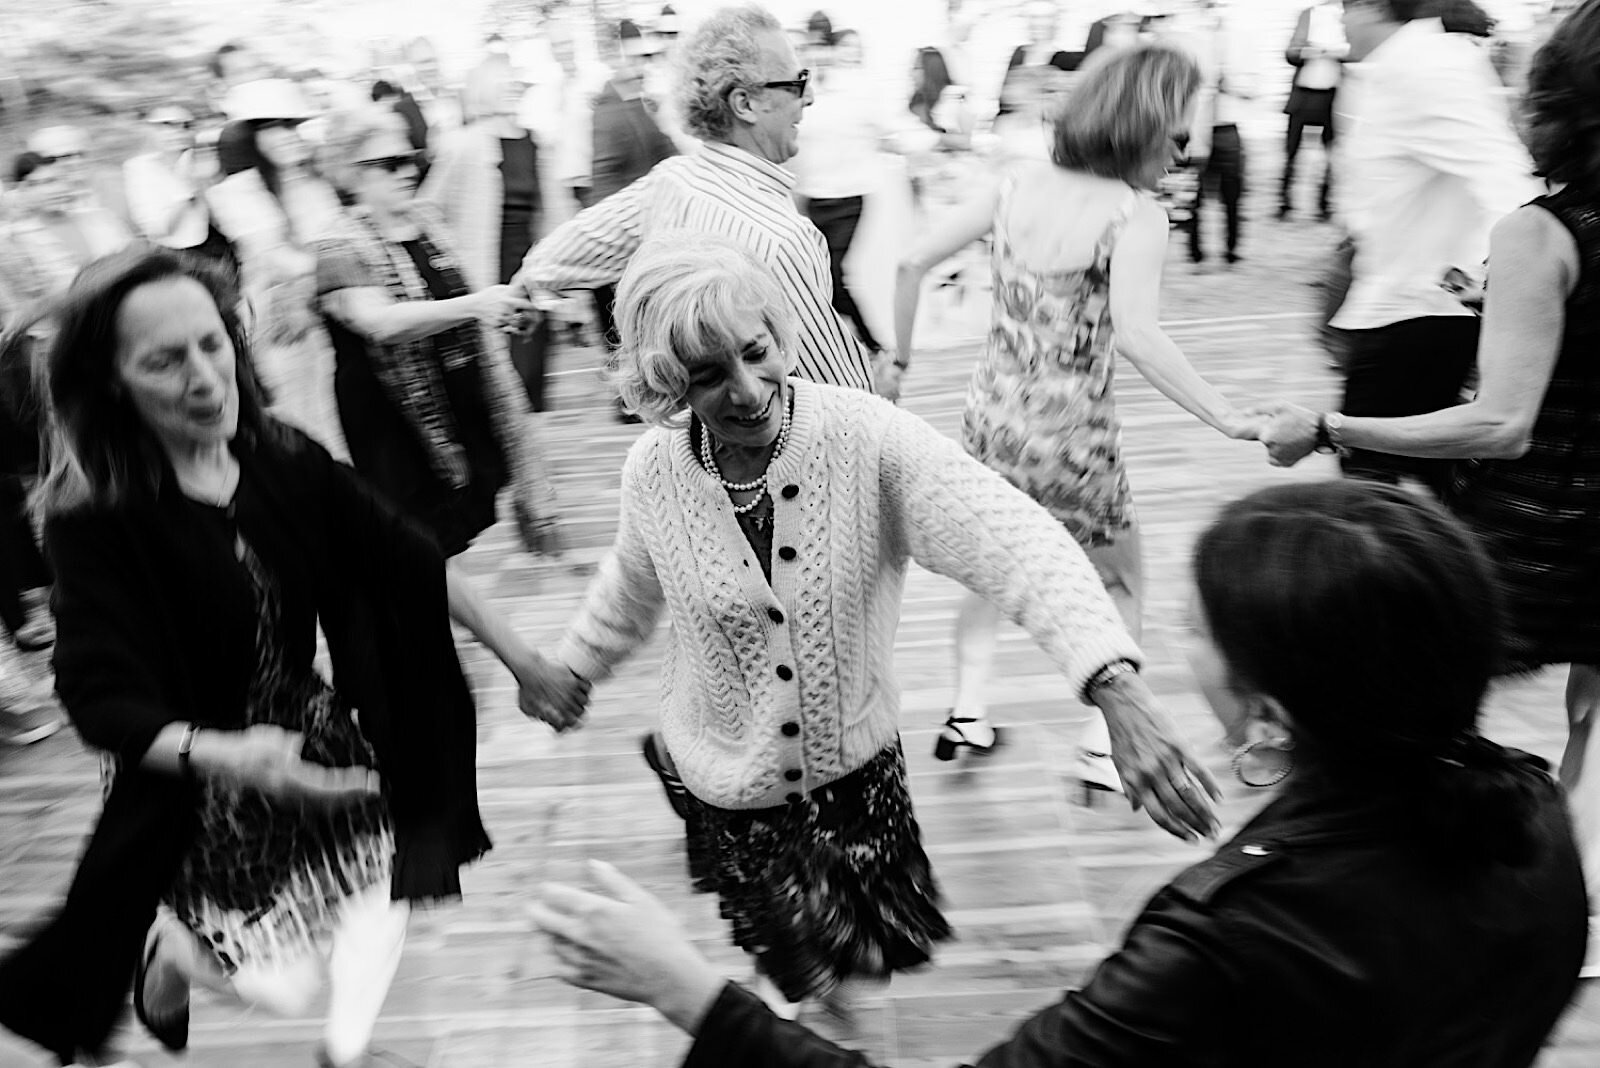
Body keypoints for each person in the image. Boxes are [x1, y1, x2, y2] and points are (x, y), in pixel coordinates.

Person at [533, 480, 1588, 1068]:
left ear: (1267, 717)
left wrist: (686, 991)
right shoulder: (1532, 822)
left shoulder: (1229, 939)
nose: (1177, 635)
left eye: (1200, 630)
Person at [526, 231, 1219, 1021]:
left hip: (853, 783)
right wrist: (574, 664)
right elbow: (629, 583)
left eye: (757, 352)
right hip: (729, 786)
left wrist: (1112, 685)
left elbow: (1012, 538)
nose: (748, 390)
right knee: (795, 971)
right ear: (665, 382)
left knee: (864, 985)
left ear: (780, 334)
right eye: (709, 375)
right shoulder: (654, 472)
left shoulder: (865, 439)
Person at [0, 246, 585, 1068]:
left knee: (387, 885)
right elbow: (98, 700)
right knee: (277, 982)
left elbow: (403, 556)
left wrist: (526, 659)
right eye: (164, 362)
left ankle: (343, 1057)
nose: (206, 378)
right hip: (196, 777)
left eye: (212, 344)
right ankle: (172, 956)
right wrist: (234, 756)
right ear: (113, 383)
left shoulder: (276, 454)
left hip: (311, 735)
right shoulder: (95, 520)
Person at [1259, 0, 1600, 977]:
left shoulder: (1544, 231)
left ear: (1558, 96)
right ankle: (1567, 922)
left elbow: (1499, 423)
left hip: (1541, 531)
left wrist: (1328, 425)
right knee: (1594, 720)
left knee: (1410, 694)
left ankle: (1381, 894)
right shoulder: (1530, 243)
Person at [892, 45, 1261, 777]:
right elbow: (1140, 337)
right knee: (1120, 581)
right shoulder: (1132, 214)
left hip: (992, 421)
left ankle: (967, 716)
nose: (1183, 156)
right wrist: (1227, 417)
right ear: (1142, 127)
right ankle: (1101, 746)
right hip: (1072, 438)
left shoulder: (1014, 184)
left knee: (994, 568)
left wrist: (896, 364)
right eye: (1178, 137)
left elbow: (910, 263)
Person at [511, 4, 881, 397]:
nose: (809, 97)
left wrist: (525, 286)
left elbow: (578, 244)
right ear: (745, 104)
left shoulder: (674, 180)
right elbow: (842, 400)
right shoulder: (780, 239)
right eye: (795, 83)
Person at [315, 113, 554, 559]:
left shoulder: (427, 223)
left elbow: (454, 303)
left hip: (459, 403)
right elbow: (379, 323)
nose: (407, 171)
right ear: (353, 173)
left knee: (458, 521)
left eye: (411, 159)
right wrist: (477, 305)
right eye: (389, 163)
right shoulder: (337, 245)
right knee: (419, 538)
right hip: (392, 421)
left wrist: (501, 313)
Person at [1324, 0, 1537, 496]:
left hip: (1417, 311)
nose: (1341, 22)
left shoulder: (1424, 65)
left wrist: (1485, 278)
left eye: (1347, 8)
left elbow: (1503, 177)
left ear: (1377, 7)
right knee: (1422, 480)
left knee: (1369, 488)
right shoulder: (1402, 63)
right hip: (1400, 302)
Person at [206, 79, 348, 457]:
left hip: (329, 312)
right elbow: (275, 255)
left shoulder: (309, 181)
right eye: (274, 126)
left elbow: (334, 243)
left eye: (292, 125)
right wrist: (326, 271)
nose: (288, 135)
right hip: (279, 322)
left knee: (342, 416)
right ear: (247, 136)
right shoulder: (235, 191)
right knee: (306, 423)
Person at [791, 27, 892, 359]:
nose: (818, 56)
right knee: (819, 276)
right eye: (811, 49)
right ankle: (842, 345)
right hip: (811, 197)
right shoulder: (798, 91)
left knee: (833, 274)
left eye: (823, 48)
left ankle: (871, 343)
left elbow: (883, 127)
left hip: (849, 195)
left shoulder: (854, 88)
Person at [121, 105, 238, 271]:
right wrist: (186, 190)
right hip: (174, 256)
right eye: (166, 125)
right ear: (150, 130)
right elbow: (158, 229)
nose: (177, 132)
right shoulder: (139, 169)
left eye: (186, 126)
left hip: (217, 245)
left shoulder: (202, 157)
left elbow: (225, 213)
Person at [1282, 0, 1345, 220]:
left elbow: (1355, 52)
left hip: (1333, 96)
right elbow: (1291, 52)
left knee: (1330, 154)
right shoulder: (1309, 14)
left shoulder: (1348, 15)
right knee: (1291, 151)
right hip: (1304, 93)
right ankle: (1284, 203)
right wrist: (1310, 51)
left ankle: (1323, 205)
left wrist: (1333, 51)